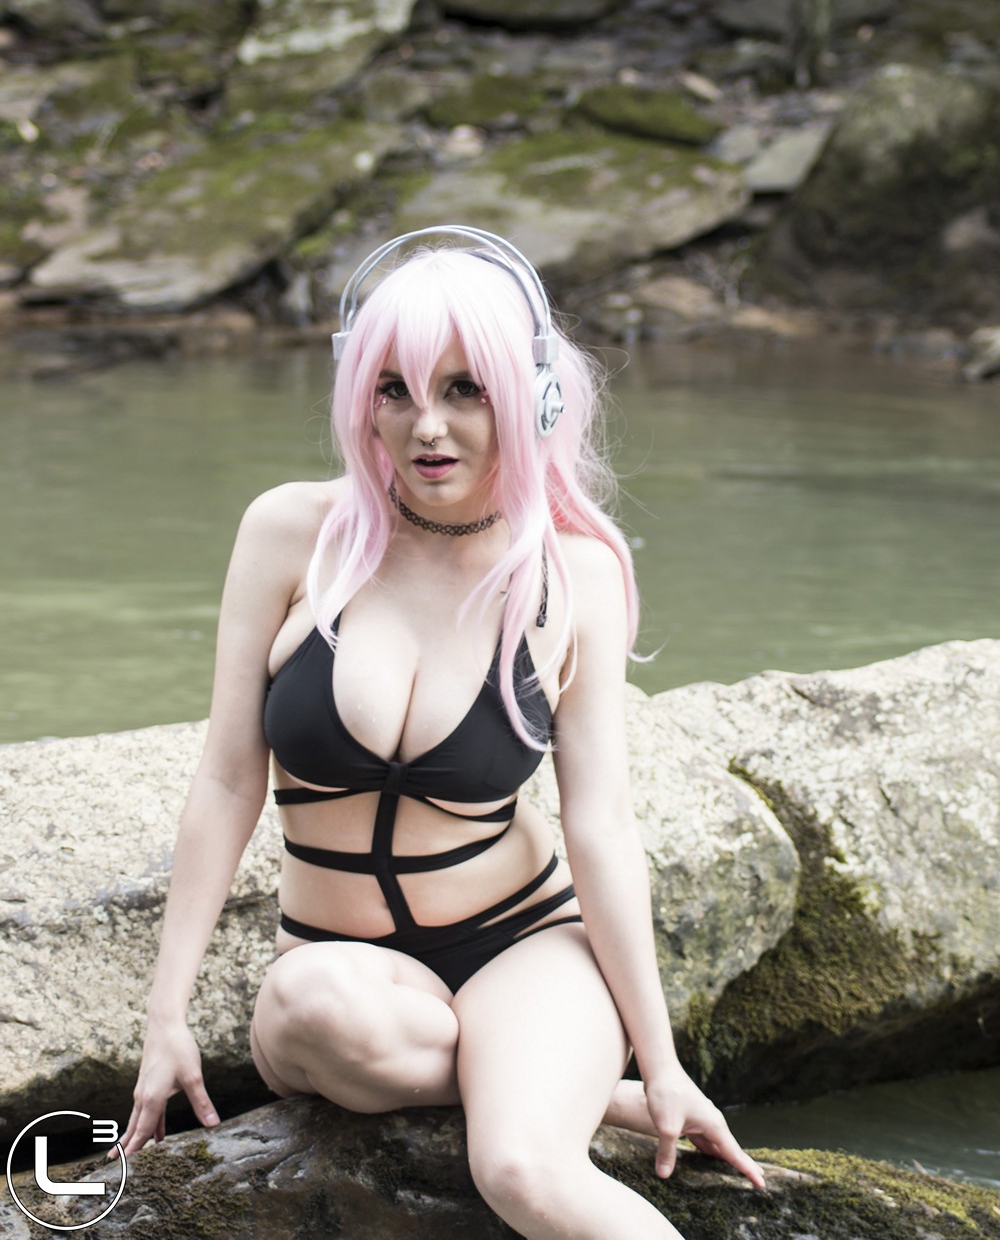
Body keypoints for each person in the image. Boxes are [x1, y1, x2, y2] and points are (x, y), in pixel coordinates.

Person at [123, 227, 765, 1239]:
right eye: (395, 390)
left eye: (466, 390)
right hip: (345, 973)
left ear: (532, 398)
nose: (428, 426)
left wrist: (662, 1060)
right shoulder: (292, 533)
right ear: (359, 397)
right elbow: (226, 781)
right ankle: (549, 1083)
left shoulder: (573, 574)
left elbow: (600, 824)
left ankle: (549, 1086)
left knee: (521, 1170)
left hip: (526, 943)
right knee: (318, 1012)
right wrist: (165, 1015)